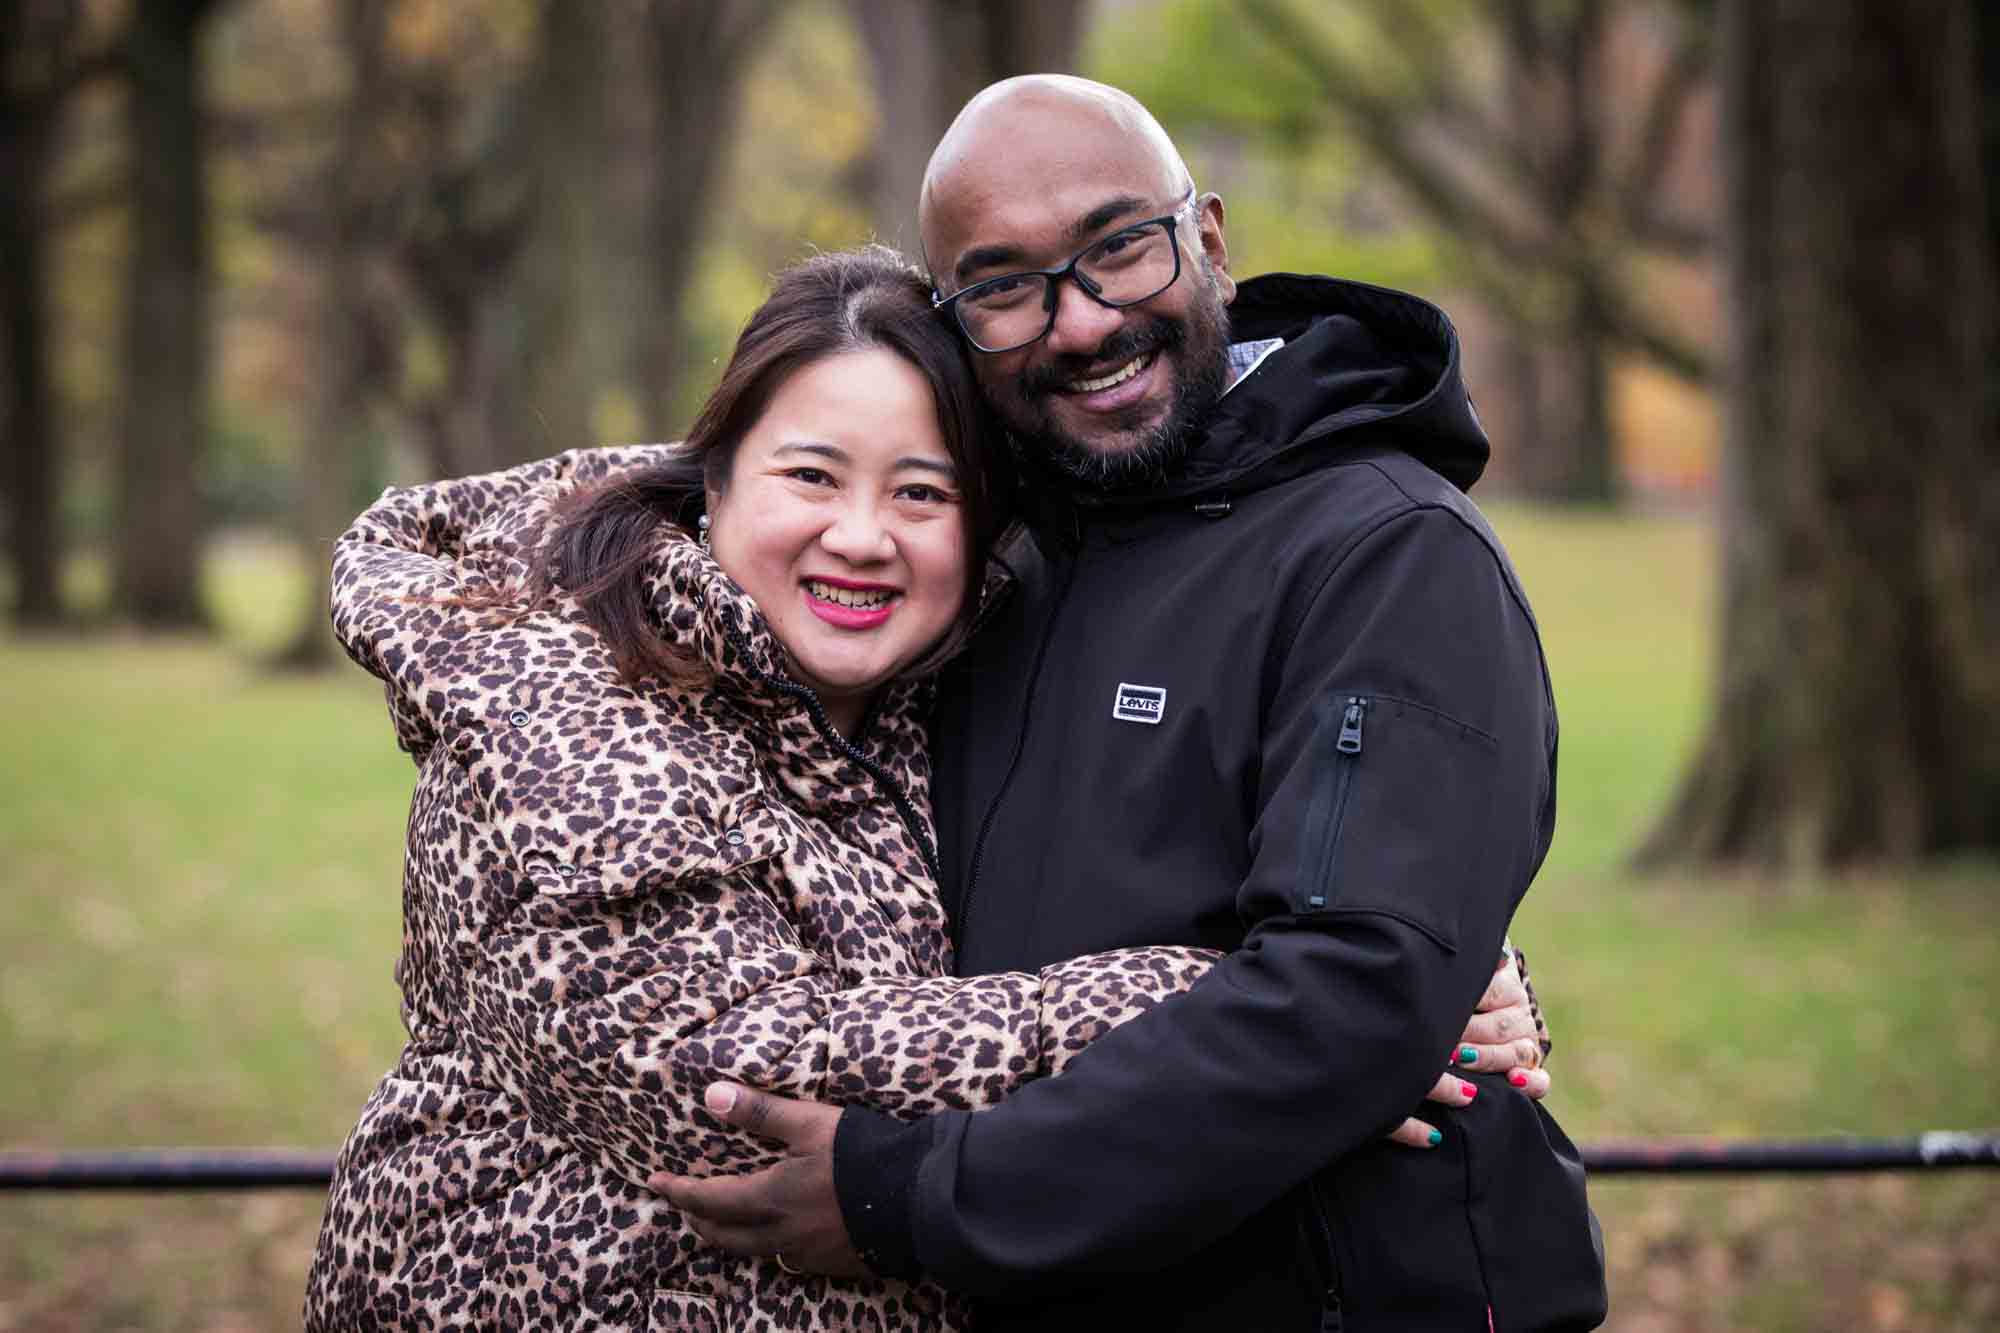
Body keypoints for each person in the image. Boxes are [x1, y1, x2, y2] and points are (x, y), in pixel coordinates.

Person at [301, 246, 1538, 1331]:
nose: (861, 534)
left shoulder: (921, 698)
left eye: (921, 491)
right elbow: (722, 1080)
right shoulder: (562, 709)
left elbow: (1119, 857)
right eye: (809, 476)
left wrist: (1410, 959)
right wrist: (1278, 1012)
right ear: (710, 482)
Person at [659, 78, 1609, 1331]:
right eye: (1004, 284)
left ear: (1206, 239)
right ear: (954, 323)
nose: (1078, 321)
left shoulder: (1387, 553)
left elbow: (1348, 994)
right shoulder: (973, 566)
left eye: (1117, 246)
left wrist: (918, 1195)